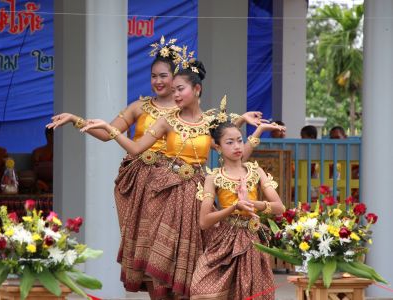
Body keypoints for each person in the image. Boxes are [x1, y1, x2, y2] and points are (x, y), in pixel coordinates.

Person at [80, 51, 284, 298]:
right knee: (160, 263)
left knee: (194, 262)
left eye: (180, 89)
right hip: (164, 193)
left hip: (197, 194)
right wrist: (107, 128)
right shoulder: (167, 121)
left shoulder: (211, 122)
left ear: (196, 90)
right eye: (172, 89)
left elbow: (236, 153)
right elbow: (135, 149)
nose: (174, 94)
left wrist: (255, 128)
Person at [190, 121, 285, 299]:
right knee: (200, 289)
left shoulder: (256, 171)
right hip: (224, 240)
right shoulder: (213, 177)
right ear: (218, 147)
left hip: (251, 238)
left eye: (239, 141)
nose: (236, 146)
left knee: (251, 290)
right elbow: (204, 221)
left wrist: (252, 203)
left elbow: (280, 207)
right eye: (229, 142)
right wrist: (234, 207)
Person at [31, 127, 54, 192]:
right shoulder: (38, 152)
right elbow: (34, 173)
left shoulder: (64, 154)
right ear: (48, 136)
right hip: (41, 184)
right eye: (53, 134)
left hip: (61, 183)